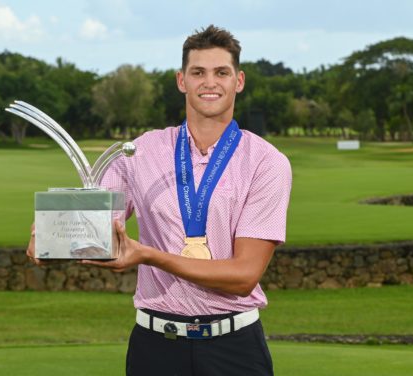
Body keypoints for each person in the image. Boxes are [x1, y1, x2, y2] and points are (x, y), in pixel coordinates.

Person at [28, 24, 291, 376]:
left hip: (235, 349)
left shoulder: (266, 161)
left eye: (221, 72)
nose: (209, 82)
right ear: (181, 80)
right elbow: (96, 230)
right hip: (155, 348)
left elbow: (244, 275)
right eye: (198, 72)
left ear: (238, 81)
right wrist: (51, 240)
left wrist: (149, 255)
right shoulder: (139, 152)